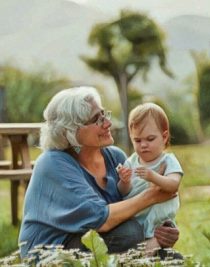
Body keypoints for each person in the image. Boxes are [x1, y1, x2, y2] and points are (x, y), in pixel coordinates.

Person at [18, 86, 179, 258]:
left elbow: (132, 207)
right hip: (53, 251)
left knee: (172, 258)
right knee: (129, 233)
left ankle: (146, 252)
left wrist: (162, 231)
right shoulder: (53, 163)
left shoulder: (115, 156)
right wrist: (152, 195)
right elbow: (100, 219)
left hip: (98, 241)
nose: (108, 123)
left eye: (104, 114)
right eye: (97, 119)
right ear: (71, 131)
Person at [117, 103, 183, 253]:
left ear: (164, 137)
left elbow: (174, 185)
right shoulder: (131, 161)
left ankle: (153, 248)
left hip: (158, 221)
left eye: (150, 139)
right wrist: (124, 181)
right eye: (137, 140)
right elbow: (123, 192)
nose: (144, 145)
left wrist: (153, 177)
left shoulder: (167, 161)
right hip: (136, 217)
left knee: (150, 252)